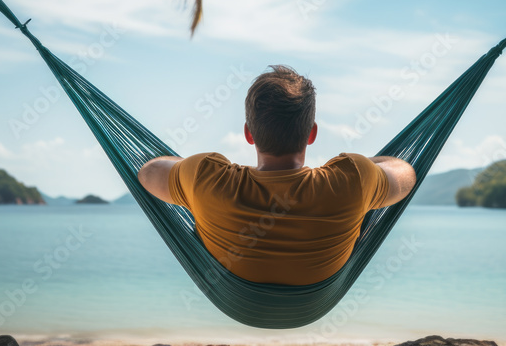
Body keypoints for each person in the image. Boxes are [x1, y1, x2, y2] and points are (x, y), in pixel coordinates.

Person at [138, 65, 416, 286]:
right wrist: (367, 168)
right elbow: (406, 174)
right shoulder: (354, 179)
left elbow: (149, 173)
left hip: (239, 299)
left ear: (248, 133)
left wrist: (186, 167)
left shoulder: (205, 178)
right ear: (312, 134)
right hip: (315, 299)